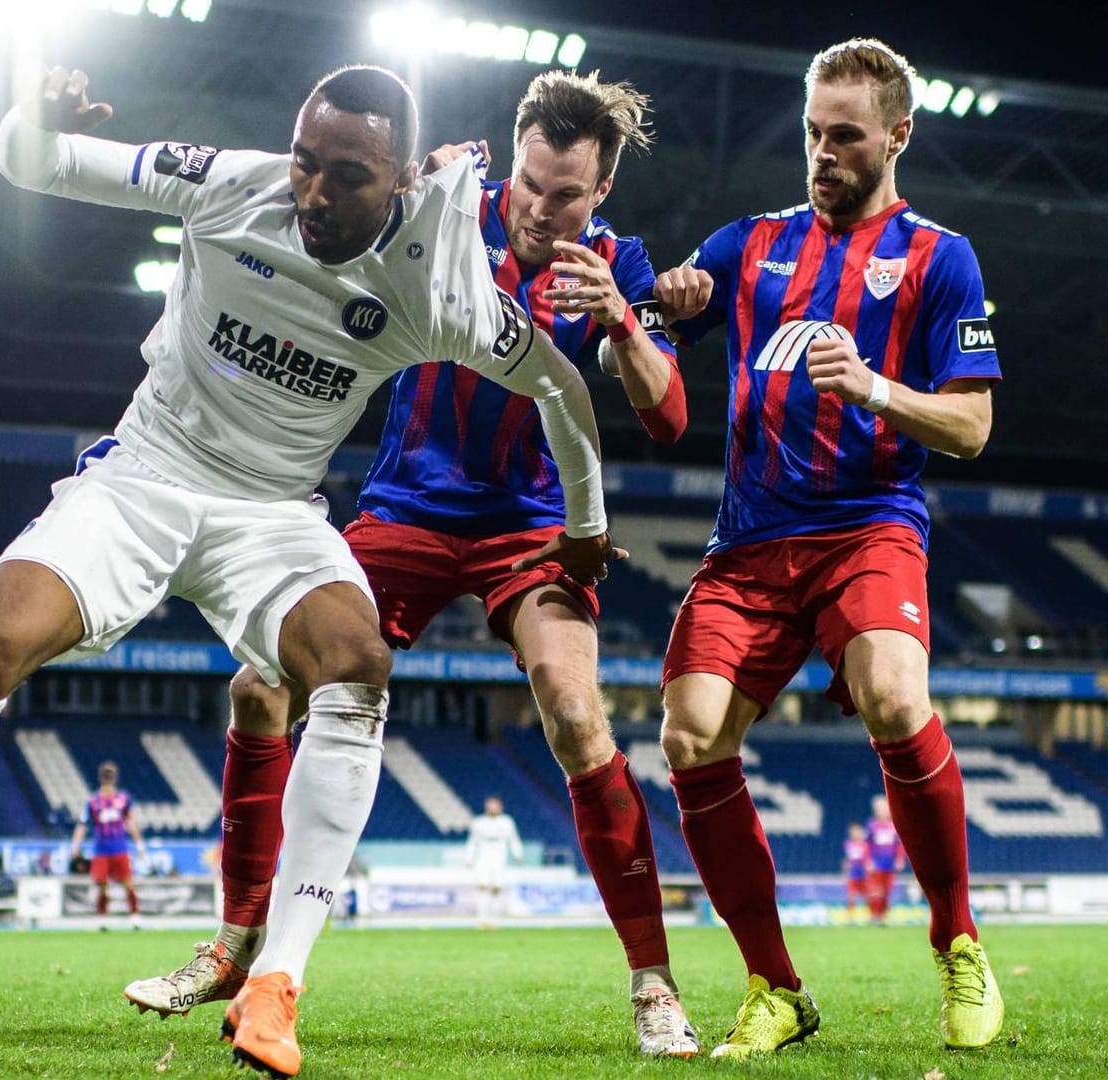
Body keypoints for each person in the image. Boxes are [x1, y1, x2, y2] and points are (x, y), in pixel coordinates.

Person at [0, 63, 622, 1080]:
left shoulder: (438, 289)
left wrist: (584, 523)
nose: (310, 192)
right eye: (305, 162)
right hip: (147, 477)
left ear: (397, 183)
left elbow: (564, 388)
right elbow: (32, 164)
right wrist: (28, 124)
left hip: (272, 515)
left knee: (356, 662)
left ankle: (275, 984)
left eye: (345, 176)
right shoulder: (231, 182)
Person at [124, 68, 698, 1059]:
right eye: (530, 184)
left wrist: (624, 319)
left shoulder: (616, 264)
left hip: (530, 524)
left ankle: (653, 983)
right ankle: (234, 945)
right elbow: (357, 203)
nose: (541, 211)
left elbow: (668, 415)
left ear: (601, 192)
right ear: (510, 158)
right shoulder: (447, 201)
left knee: (573, 711)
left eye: (567, 196)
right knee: (260, 691)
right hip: (407, 509)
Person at [651, 36, 1004, 1056]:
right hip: (750, 541)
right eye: (812, 133)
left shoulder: (941, 257)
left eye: (844, 136)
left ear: (897, 135)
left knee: (897, 696)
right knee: (689, 735)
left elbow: (974, 429)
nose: (822, 153)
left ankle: (957, 940)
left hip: (869, 527)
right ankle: (776, 988)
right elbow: (671, 319)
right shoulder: (751, 242)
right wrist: (665, 303)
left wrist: (876, 389)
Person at [69, 761, 148, 927]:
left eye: (110, 774)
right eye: (106, 774)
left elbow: (131, 822)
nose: (108, 778)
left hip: (120, 848)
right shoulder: (92, 802)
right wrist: (75, 845)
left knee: (128, 882)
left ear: (115, 778)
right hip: (101, 850)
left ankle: (135, 915)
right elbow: (82, 824)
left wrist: (140, 845)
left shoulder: (123, 799)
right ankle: (103, 917)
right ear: (101, 778)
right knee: (102, 885)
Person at [464, 796, 524, 929]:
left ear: (500, 807)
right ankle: (482, 919)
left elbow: (513, 839)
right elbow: (473, 842)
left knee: (497, 887)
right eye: (490, 806)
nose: (493, 808)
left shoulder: (507, 822)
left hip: (499, 857)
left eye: (495, 806)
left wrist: (518, 854)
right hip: (483, 857)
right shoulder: (479, 822)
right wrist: (468, 858)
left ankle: (493, 919)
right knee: (482, 886)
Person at [864, 794, 907, 923]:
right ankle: (874, 914)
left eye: (884, 807)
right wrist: (868, 861)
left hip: (890, 862)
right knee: (876, 890)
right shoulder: (872, 825)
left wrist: (900, 859)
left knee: (888, 890)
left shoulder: (894, 824)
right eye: (879, 808)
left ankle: (884, 915)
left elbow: (899, 844)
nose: (882, 810)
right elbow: (867, 845)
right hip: (876, 862)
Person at [842, 821, 870, 916]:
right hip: (853, 874)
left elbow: (868, 860)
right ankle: (850, 916)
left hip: (864, 874)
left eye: (857, 831)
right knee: (851, 896)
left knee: (868, 896)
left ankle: (872, 915)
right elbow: (847, 860)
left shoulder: (866, 845)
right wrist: (845, 874)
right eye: (853, 832)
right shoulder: (848, 844)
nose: (855, 834)